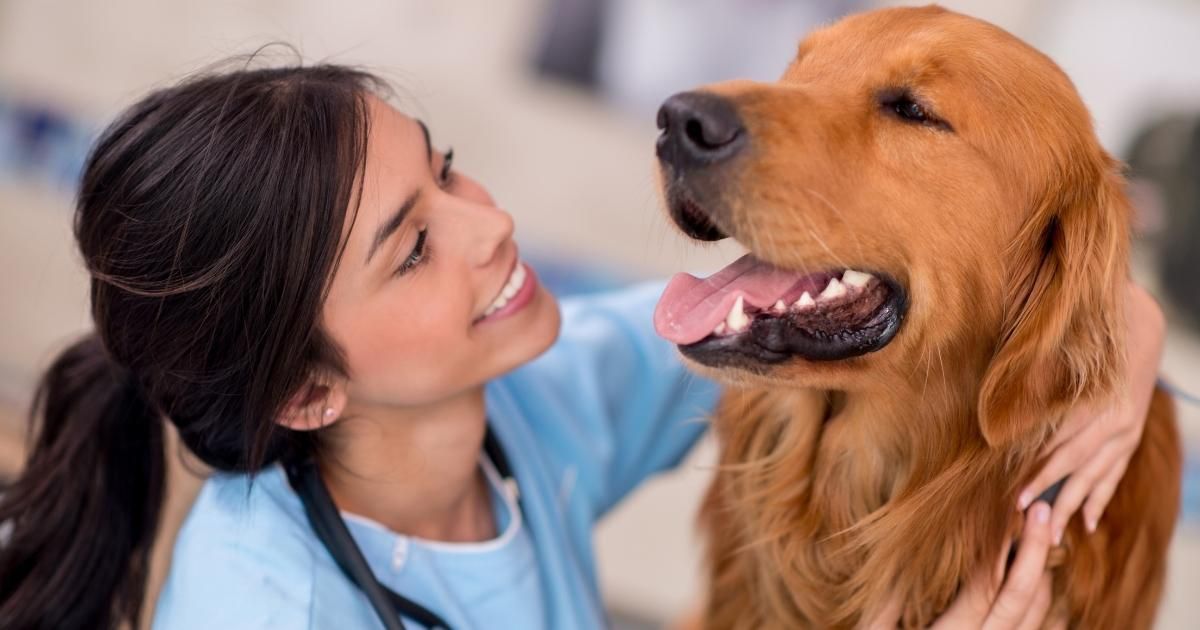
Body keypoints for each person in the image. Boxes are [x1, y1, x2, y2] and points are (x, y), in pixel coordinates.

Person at [0, 64, 1165, 630]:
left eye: (445, 168)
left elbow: (909, 309)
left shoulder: (520, 411)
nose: (489, 222)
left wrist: (1117, 336)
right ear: (309, 390)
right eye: (413, 249)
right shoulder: (265, 611)